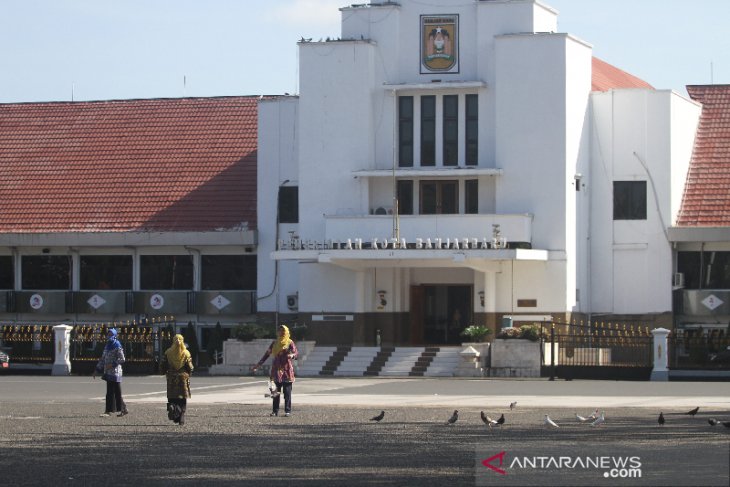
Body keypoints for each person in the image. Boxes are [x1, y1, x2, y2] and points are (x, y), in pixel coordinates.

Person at [251, 324, 298, 417]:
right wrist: (258, 365)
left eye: (283, 331)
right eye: (279, 331)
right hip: (275, 371)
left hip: (287, 371)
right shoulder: (275, 343)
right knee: (275, 392)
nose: (281, 332)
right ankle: (275, 411)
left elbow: (296, 353)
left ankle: (287, 411)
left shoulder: (289, 342)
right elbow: (267, 354)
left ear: (286, 332)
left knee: (287, 393)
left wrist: (292, 355)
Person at [93, 328, 128, 417]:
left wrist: (113, 364)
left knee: (117, 392)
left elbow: (122, 359)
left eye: (111, 334)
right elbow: (103, 359)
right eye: (108, 334)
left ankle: (120, 410)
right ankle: (110, 410)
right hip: (108, 372)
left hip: (116, 372)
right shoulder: (107, 346)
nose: (109, 336)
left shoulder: (117, 345)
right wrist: (97, 369)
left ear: (115, 335)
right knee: (109, 392)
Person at [160, 334, 194, 425]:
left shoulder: (168, 352)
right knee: (182, 399)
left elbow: (163, 365)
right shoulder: (186, 353)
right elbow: (190, 367)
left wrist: (163, 372)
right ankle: (181, 416)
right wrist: (189, 373)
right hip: (183, 378)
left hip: (171, 377)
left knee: (172, 397)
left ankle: (172, 407)